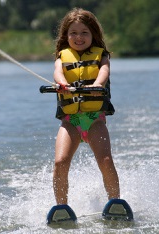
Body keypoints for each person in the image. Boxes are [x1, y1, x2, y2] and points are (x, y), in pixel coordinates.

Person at [52, 8, 119, 207]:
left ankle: (115, 203)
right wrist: (63, 85)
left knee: (105, 160)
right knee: (60, 162)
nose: (78, 37)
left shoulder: (102, 56)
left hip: (94, 120)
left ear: (93, 35)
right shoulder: (61, 57)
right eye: (73, 33)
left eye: (84, 33)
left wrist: (98, 85)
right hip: (70, 121)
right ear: (66, 35)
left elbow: (104, 71)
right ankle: (61, 208)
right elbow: (58, 73)